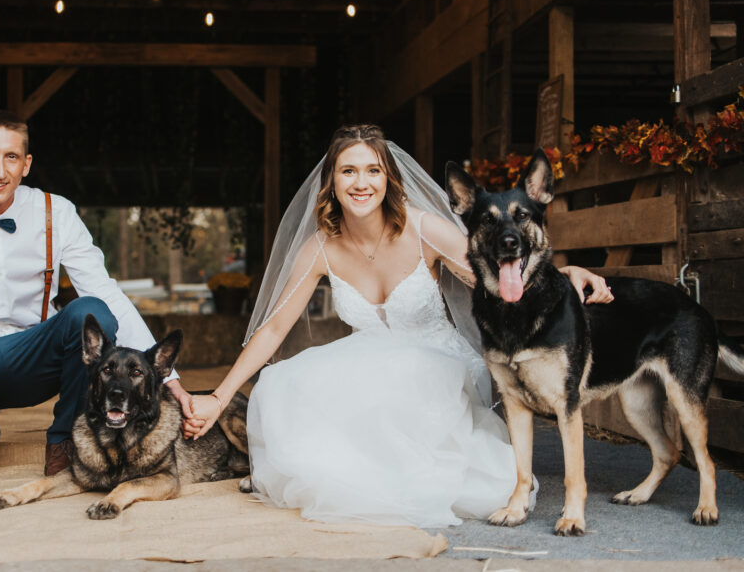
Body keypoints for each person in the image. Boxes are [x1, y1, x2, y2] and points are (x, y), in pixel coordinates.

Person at [185, 124, 612, 527]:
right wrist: (220, 398)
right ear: (331, 181)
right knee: (282, 385)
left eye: (373, 170)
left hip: (439, 367)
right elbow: (274, 330)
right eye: (348, 171)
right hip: (368, 365)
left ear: (388, 178)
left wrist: (567, 271)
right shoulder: (320, 248)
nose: (361, 183)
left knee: (400, 403)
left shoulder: (423, 229)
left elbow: (497, 269)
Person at [0, 110, 191, 483]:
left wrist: (168, 377)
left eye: (11, 157)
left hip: (36, 354)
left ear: (26, 165)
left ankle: (63, 439)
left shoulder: (56, 212)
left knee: (91, 311)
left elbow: (105, 293)